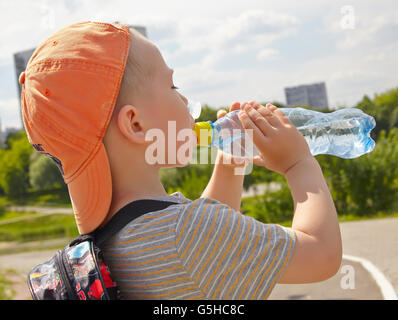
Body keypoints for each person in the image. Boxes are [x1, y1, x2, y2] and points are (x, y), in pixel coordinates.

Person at [19, 21, 342, 300]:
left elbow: (210, 247)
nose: (186, 100)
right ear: (135, 124)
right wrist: (298, 163)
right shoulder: (186, 233)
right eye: (173, 85)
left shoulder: (119, 236)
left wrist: (231, 163)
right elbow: (322, 254)